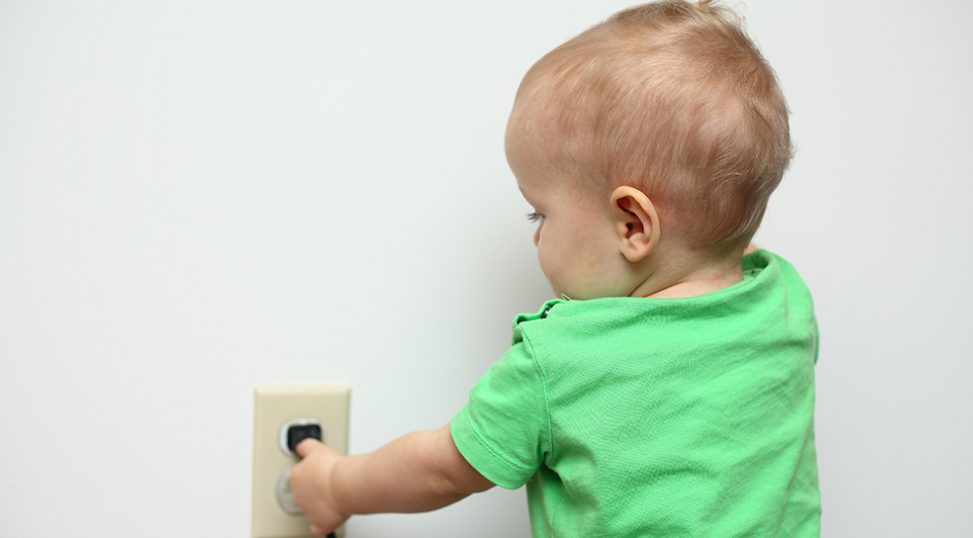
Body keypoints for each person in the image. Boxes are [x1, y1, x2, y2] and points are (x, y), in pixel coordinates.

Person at [289, 1, 821, 536]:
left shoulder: (562, 361)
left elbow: (440, 469)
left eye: (539, 211)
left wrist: (335, 485)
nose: (537, 234)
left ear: (633, 226)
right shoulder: (784, 301)